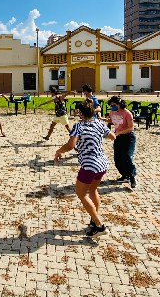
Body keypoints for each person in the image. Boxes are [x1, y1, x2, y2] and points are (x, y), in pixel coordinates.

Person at [54, 99, 116, 237]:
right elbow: (112, 136)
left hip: (89, 164)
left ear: (81, 113)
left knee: (81, 194)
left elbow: (70, 145)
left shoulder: (79, 126)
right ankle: (94, 222)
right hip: (102, 163)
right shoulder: (99, 123)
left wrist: (58, 151)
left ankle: (99, 225)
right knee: (93, 190)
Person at [102, 96, 137, 188]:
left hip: (128, 137)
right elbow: (112, 120)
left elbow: (131, 128)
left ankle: (132, 176)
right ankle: (124, 175)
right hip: (118, 137)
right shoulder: (112, 112)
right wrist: (104, 119)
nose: (112, 106)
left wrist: (119, 132)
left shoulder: (127, 113)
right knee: (117, 158)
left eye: (114, 105)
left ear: (119, 104)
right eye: (111, 105)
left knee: (127, 156)